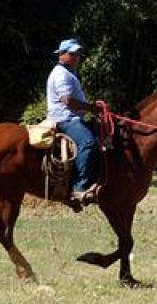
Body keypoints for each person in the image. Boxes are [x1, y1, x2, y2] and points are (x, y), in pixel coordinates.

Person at [46, 38, 101, 205]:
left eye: (78, 54)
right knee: (88, 142)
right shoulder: (61, 74)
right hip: (65, 118)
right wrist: (91, 108)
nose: (77, 57)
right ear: (61, 54)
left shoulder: (68, 72)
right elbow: (67, 101)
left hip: (72, 116)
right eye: (72, 54)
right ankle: (79, 188)